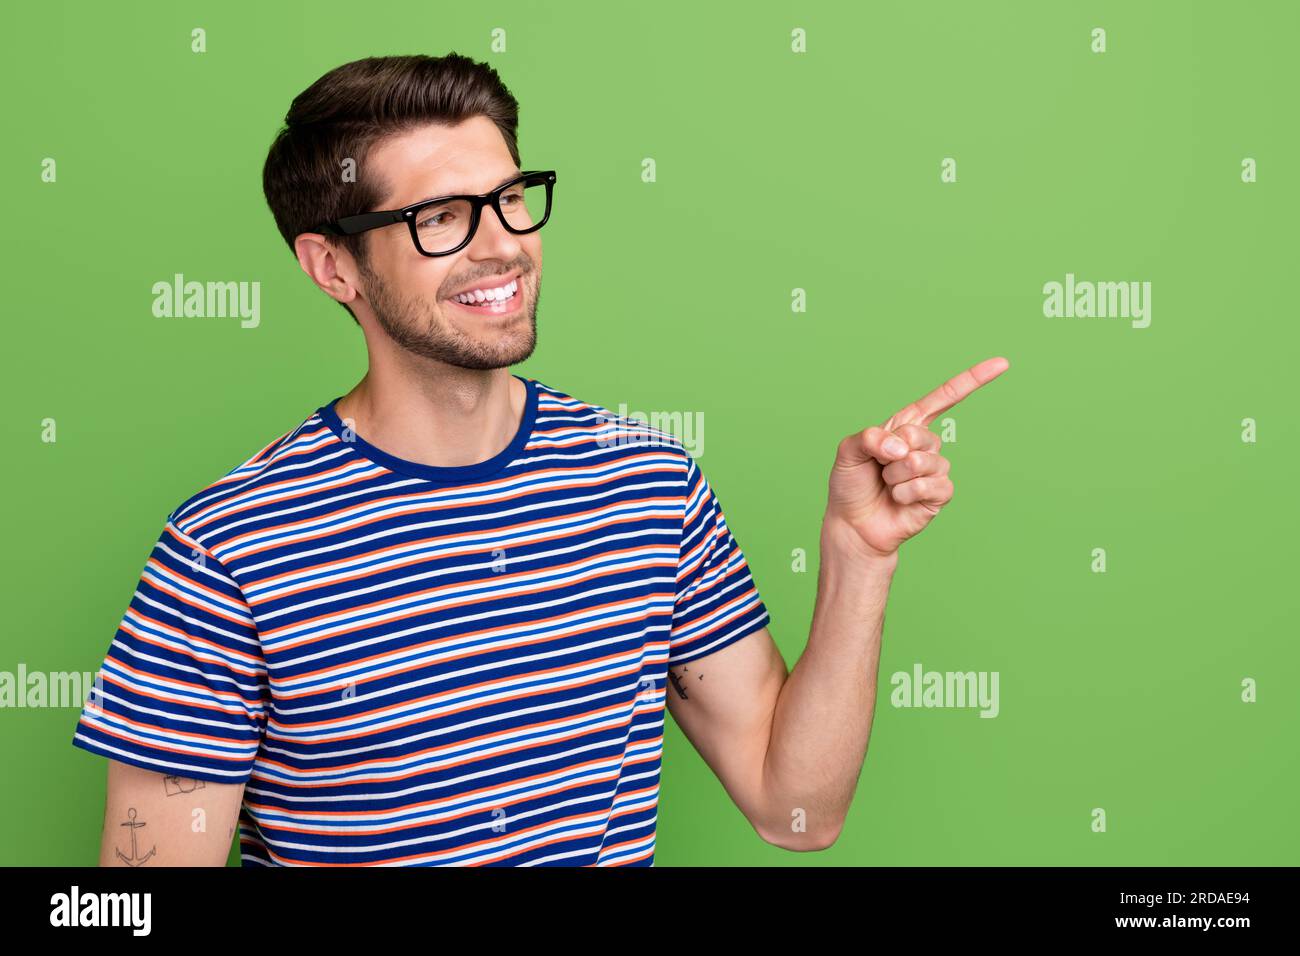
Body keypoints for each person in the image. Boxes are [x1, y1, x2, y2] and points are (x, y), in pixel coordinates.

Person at [71, 52, 1009, 866]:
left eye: (511, 199)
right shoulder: (225, 550)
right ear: (333, 267)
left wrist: (858, 558)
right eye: (441, 217)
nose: (502, 245)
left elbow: (794, 810)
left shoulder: (649, 483)